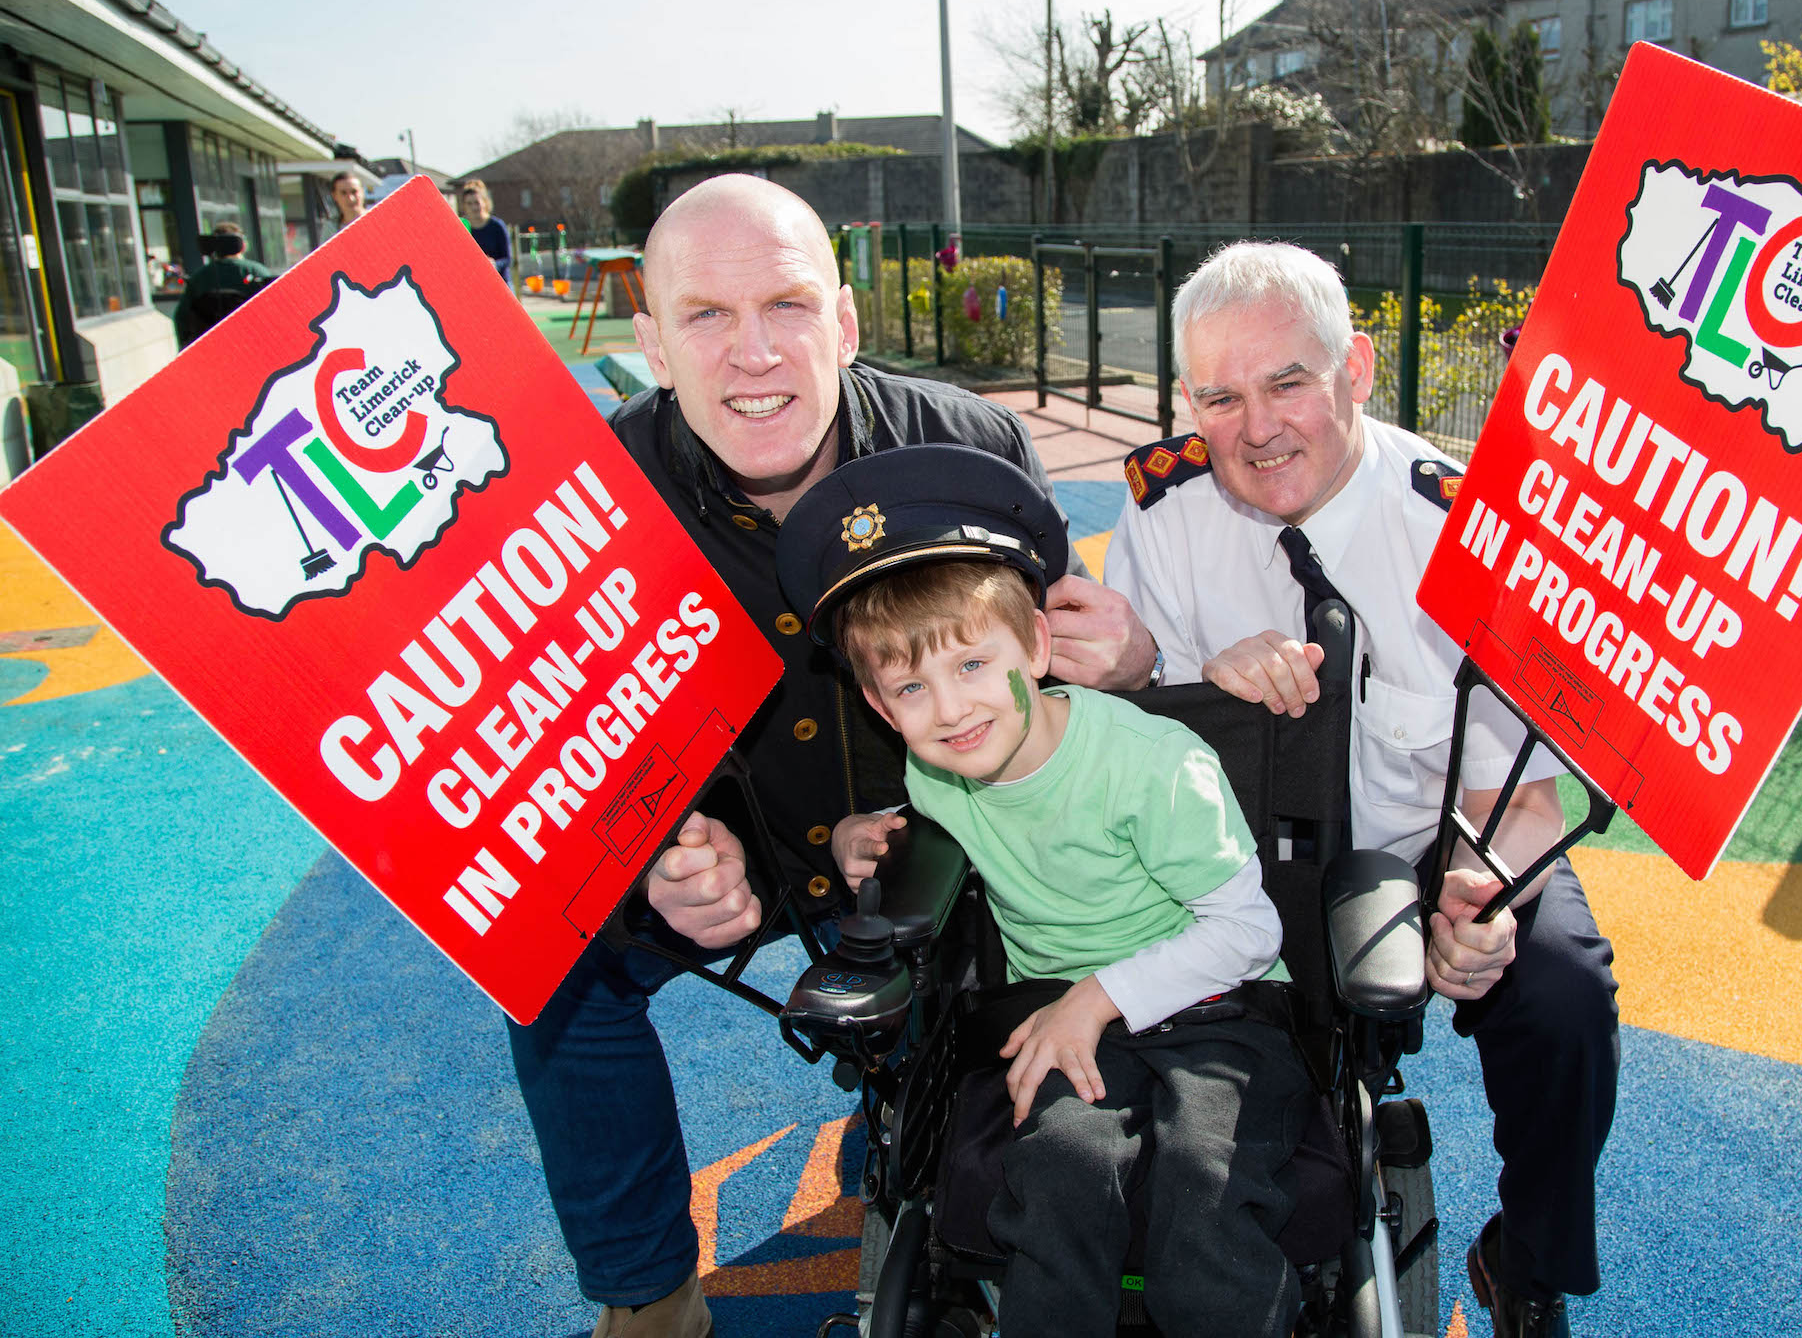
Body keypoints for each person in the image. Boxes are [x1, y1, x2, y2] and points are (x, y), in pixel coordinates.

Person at [506, 174, 1154, 1338]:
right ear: (651, 341)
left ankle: (926, 1112)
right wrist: (647, 842)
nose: (753, 354)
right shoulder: (585, 499)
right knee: (552, 969)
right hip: (725, 839)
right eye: (706, 315)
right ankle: (648, 1297)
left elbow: (1042, 696)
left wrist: (1127, 659)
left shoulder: (976, 451)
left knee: (1007, 949)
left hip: (933, 826)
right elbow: (548, 741)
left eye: (789, 306)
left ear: (844, 322)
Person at [1104, 242, 1619, 1338]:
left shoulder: (1466, 529)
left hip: (1436, 830)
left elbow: (1512, 779)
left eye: (1287, 381)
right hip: (1232, 839)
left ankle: (1524, 1258)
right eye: (1219, 396)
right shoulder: (1160, 511)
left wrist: (1475, 897)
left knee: (1563, 994)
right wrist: (1184, 683)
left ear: (1358, 370)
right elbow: (1128, 729)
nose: (1254, 427)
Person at [778, 445, 1312, 1338]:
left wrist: (1097, 999)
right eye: (912, 685)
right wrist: (858, 832)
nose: (950, 709)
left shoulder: (1153, 765)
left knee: (1203, 1188)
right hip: (1058, 1011)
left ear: (1034, 644)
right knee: (1059, 1173)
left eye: (973, 665)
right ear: (879, 704)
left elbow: (1248, 930)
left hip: (1221, 1009)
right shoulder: (935, 769)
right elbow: (921, 813)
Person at [173, 220, 272, 347]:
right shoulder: (257, 271)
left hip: (211, 347)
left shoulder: (199, 277)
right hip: (253, 344)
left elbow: (181, 317)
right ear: (242, 245)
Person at [457, 177, 511, 281]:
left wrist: (494, 264)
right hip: (473, 283)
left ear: (484, 202)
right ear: (464, 206)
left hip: (499, 282)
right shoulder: (461, 228)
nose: (474, 207)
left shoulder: (497, 226)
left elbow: (507, 259)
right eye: (469, 203)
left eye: (476, 202)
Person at [327, 169, 366, 236]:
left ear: (362, 192)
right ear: (334, 196)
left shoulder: (378, 222)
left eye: (354, 192)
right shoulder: (330, 229)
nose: (351, 198)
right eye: (343, 193)